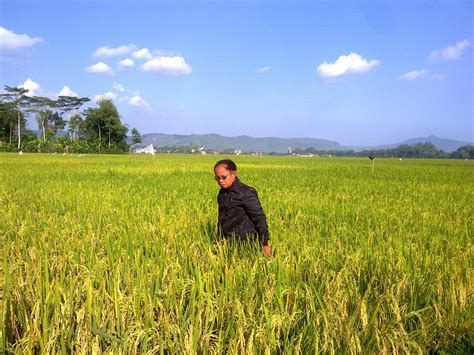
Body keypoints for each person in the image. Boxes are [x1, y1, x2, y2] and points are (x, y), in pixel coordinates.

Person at [214, 159, 271, 258]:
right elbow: (222, 218)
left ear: (233, 173)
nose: (220, 181)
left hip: (245, 244)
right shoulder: (222, 193)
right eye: (217, 178)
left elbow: (259, 218)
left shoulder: (246, 192)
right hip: (227, 243)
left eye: (223, 177)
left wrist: (264, 243)